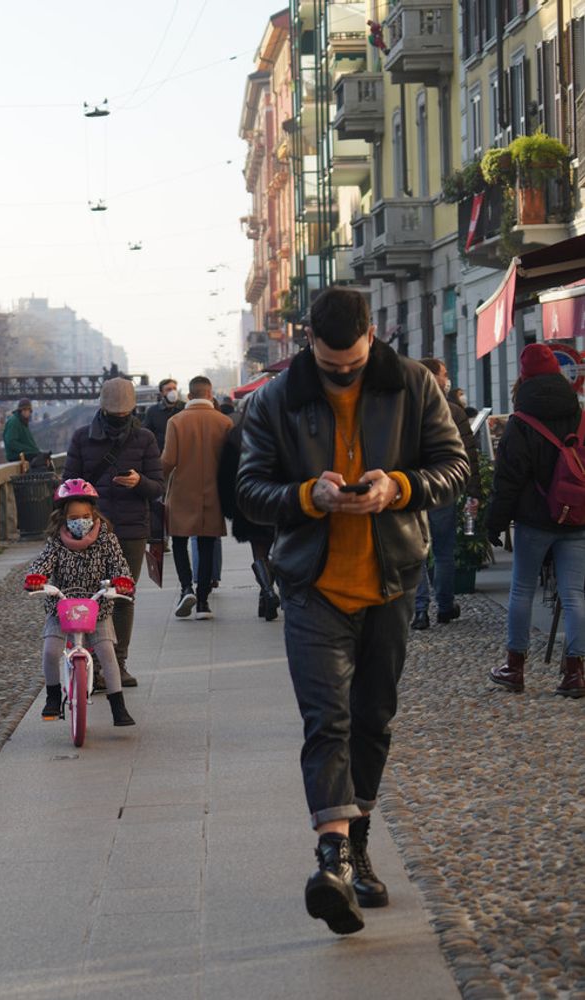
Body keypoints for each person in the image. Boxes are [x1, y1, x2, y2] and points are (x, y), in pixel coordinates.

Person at [237, 287, 467, 935]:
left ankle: (356, 844)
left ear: (373, 335)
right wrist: (310, 495)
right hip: (312, 585)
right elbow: (250, 490)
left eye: (353, 360)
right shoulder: (275, 400)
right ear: (309, 341)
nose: (343, 370)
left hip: (392, 580)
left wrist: (401, 486)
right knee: (326, 720)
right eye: (330, 362)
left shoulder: (414, 386)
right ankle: (333, 858)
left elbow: (455, 467)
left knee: (372, 720)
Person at [486, 345, 585, 699]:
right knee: (574, 594)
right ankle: (575, 672)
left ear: (523, 377)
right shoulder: (580, 415)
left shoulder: (521, 422)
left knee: (522, 589)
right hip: (576, 517)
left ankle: (514, 667)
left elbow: (507, 480)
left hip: (533, 520)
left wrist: (493, 523)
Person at [62, 377, 163, 687]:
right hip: (92, 528)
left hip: (132, 529)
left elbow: (158, 487)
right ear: (103, 409)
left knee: (122, 596)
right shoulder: (82, 439)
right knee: (91, 596)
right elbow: (68, 485)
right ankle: (93, 661)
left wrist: (139, 482)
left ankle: (118, 664)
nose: (119, 418)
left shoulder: (145, 439)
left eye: (123, 414)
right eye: (115, 413)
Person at [25, 479, 135, 727]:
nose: (80, 521)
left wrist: (122, 581)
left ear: (93, 513)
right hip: (61, 607)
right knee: (51, 651)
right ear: (63, 517)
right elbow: (42, 562)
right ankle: (53, 697)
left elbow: (119, 565)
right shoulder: (55, 541)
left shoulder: (107, 539)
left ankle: (118, 705)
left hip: (96, 607)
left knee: (107, 653)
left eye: (85, 515)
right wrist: (37, 578)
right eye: (74, 516)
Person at [412, 358, 482, 630]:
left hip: (415, 488)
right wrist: (473, 491)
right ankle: (444, 606)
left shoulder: (406, 409)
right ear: (433, 377)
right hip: (443, 487)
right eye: (444, 374)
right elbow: (468, 455)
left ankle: (420, 612)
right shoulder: (453, 410)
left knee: (417, 553)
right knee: (443, 551)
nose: (447, 379)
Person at [162, 376, 233, 620]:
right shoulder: (224, 422)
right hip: (213, 493)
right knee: (206, 545)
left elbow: (168, 460)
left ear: (189, 396)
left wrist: (158, 482)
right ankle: (203, 602)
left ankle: (185, 588)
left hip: (182, 490)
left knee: (180, 542)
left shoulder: (176, 421)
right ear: (210, 394)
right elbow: (231, 462)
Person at [218, 399, 280, 621]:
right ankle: (268, 594)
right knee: (279, 548)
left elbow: (225, 475)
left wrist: (229, 506)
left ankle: (267, 593)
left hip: (249, 501)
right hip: (277, 500)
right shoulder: (279, 430)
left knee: (259, 550)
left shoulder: (236, 435)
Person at [143, 378, 184, 452]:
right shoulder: (153, 411)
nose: (173, 392)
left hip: (182, 452)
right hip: (161, 452)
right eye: (168, 389)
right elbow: (147, 433)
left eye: (174, 388)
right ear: (161, 393)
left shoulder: (185, 408)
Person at [3, 398, 44, 465]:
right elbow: (11, 442)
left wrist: (34, 450)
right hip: (15, 455)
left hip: (24, 453)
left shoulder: (23, 421)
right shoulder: (14, 422)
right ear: (20, 411)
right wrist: (29, 450)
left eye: (28, 410)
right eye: (24, 410)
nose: (26, 412)